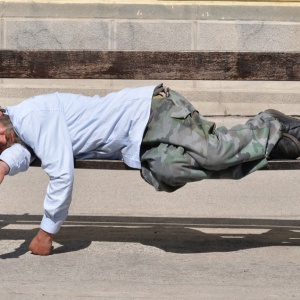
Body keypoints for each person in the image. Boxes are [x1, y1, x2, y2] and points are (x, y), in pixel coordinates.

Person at [1, 83, 300, 256]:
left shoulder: (30, 116)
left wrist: (46, 233)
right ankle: (279, 145)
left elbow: (61, 173)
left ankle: (269, 123)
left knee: (214, 153)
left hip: (151, 112)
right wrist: (4, 164)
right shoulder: (21, 131)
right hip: (140, 145)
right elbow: (25, 148)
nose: (2, 140)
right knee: (169, 172)